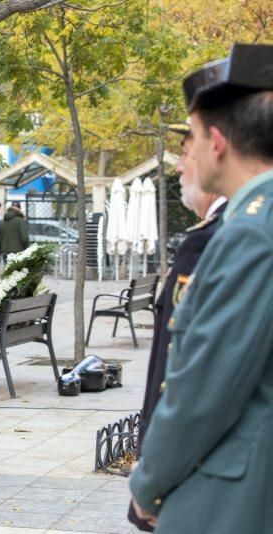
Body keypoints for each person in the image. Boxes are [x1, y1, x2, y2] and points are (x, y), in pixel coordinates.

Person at [129, 43, 273, 532]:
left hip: (232, 497)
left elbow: (202, 392)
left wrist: (148, 484)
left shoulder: (250, 234)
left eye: (189, 138)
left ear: (216, 143)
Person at [127, 121, 227, 531]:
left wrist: (154, 476)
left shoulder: (214, 241)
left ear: (217, 148)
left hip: (207, 472)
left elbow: (185, 377)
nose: (182, 168)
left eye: (186, 154)